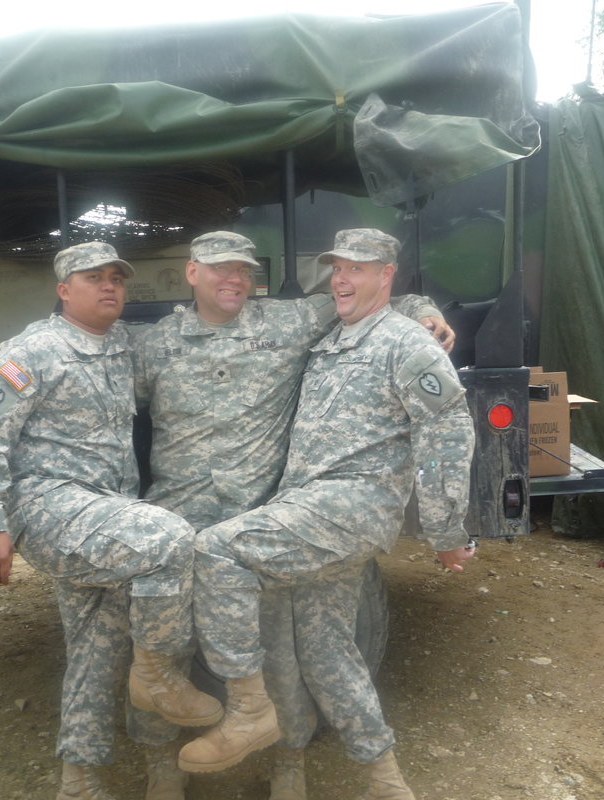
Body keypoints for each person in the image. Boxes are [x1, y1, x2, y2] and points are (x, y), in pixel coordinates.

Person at [129, 231, 455, 799]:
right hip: (176, 522)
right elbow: (101, 401)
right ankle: (162, 764)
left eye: (243, 269)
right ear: (192, 273)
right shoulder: (154, 345)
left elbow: (374, 297)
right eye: (219, 268)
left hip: (258, 516)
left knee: (277, 652)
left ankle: (288, 761)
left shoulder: (288, 322)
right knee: (162, 648)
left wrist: (426, 311)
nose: (234, 278)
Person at [0, 242, 222, 800]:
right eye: (93, 278)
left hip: (105, 513)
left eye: (116, 279)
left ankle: (91, 778)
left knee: (99, 643)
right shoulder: (30, 352)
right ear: (63, 290)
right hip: (49, 506)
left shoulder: (122, 344)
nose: (108, 287)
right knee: (169, 540)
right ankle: (158, 680)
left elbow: (192, 341)